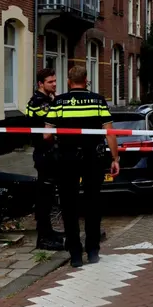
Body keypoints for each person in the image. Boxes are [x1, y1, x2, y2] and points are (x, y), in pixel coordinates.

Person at [44, 66, 120, 268]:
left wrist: (57, 144)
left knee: (69, 205)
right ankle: (93, 250)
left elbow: (46, 134)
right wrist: (115, 158)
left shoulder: (59, 102)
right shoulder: (97, 101)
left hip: (67, 159)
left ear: (69, 81)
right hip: (92, 158)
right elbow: (109, 133)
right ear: (86, 80)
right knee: (93, 203)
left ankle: (75, 254)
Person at [25, 68, 65, 251]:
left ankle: (48, 232)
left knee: (48, 196)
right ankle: (43, 237)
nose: (54, 84)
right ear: (41, 83)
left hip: (47, 153)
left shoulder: (46, 100)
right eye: (50, 82)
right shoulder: (39, 103)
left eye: (55, 81)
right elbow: (49, 130)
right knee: (44, 196)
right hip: (45, 153)